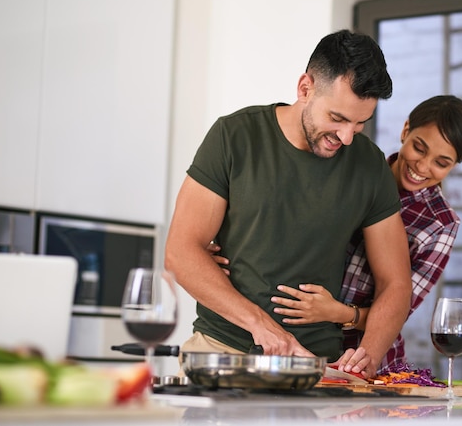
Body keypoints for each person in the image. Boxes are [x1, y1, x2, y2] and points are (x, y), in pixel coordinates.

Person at [165, 29, 412, 378]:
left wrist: (368, 353)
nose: (345, 137)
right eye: (337, 119)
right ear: (305, 88)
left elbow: (396, 283)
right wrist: (262, 325)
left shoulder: (370, 166)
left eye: (359, 125)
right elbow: (180, 252)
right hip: (221, 353)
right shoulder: (234, 136)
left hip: (317, 367)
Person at [268, 95, 462, 374]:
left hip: (365, 358)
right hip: (301, 341)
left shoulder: (440, 223)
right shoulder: (358, 168)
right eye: (419, 147)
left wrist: (336, 312)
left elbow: (398, 310)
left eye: (441, 162)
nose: (423, 166)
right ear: (405, 130)